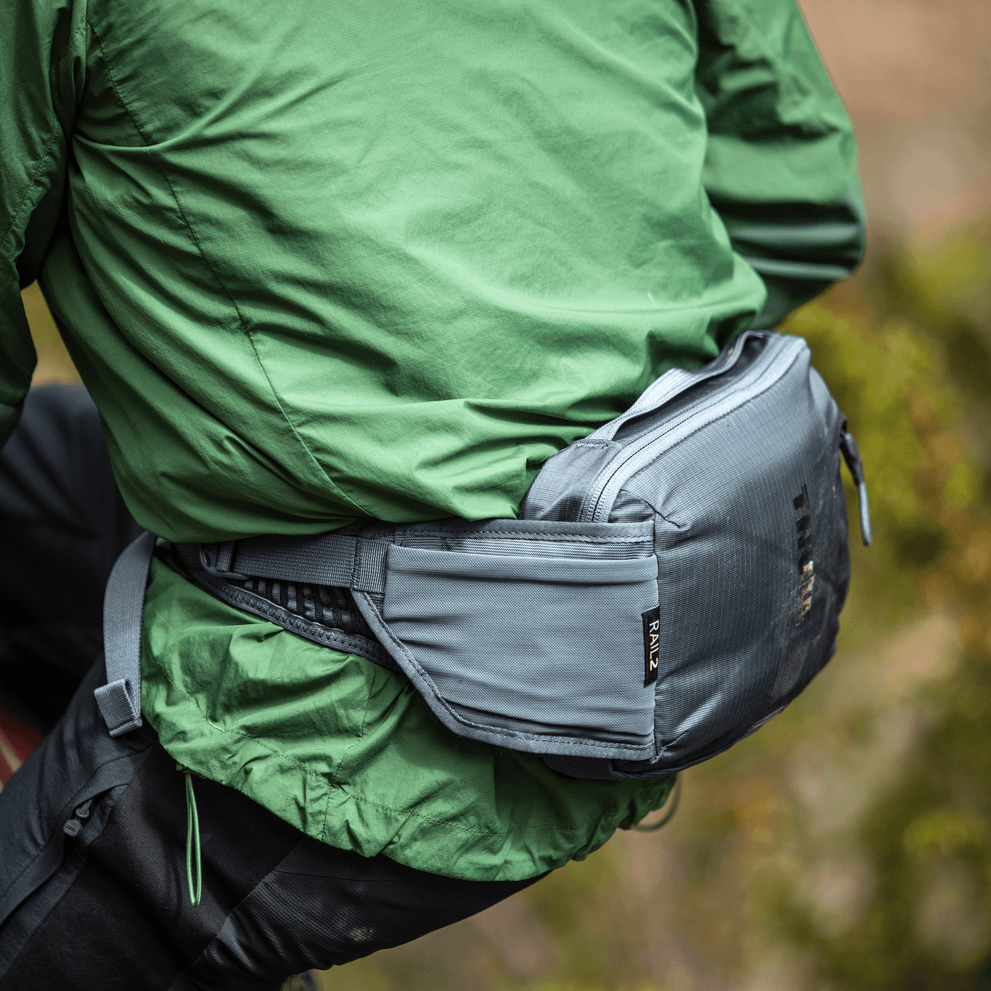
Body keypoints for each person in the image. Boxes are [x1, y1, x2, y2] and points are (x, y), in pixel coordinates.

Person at [0, 0, 865, 986]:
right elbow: (800, 198)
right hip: (694, 633)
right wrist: (557, 387)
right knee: (39, 472)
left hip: (341, 720)